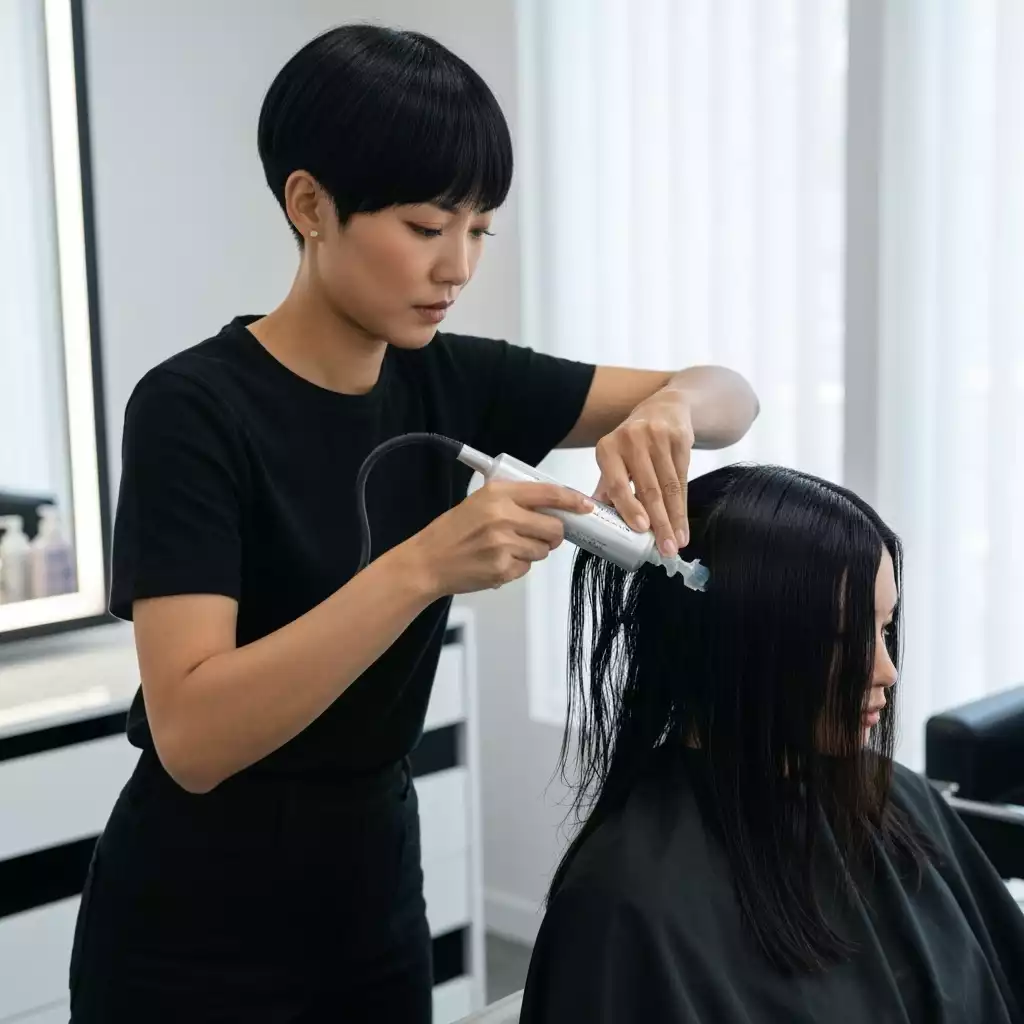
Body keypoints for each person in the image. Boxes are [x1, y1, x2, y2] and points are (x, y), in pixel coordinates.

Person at [67, 23, 759, 1024]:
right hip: (192, 930)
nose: (459, 265)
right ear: (310, 205)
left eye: (480, 229)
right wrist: (420, 567)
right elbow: (194, 735)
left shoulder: (455, 376)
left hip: (371, 902)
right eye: (429, 227)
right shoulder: (192, 409)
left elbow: (733, 394)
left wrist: (671, 408)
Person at [520, 464, 1024, 1023]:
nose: (887, 670)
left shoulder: (897, 798)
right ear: (738, 645)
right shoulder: (626, 904)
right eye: (840, 638)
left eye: (883, 628)